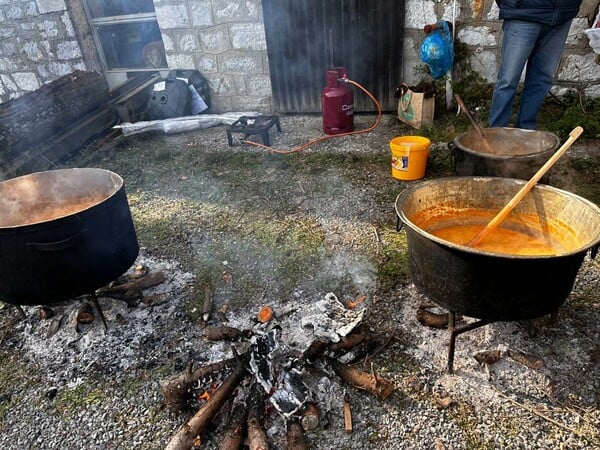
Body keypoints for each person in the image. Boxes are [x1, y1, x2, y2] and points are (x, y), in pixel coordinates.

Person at [489, 0, 583, 130]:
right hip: (523, 14)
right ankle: (496, 134)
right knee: (508, 80)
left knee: (541, 79)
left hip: (562, 16)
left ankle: (526, 131)